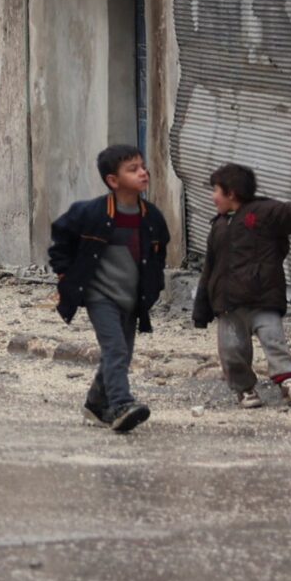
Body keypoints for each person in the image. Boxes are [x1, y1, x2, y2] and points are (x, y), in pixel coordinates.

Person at [49, 145, 171, 434]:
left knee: (121, 354)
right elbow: (61, 238)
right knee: (115, 349)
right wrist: (65, 274)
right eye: (133, 169)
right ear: (113, 180)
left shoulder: (151, 217)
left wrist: (154, 286)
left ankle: (95, 404)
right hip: (100, 296)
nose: (143, 173)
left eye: (143, 167)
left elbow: (159, 254)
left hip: (132, 298)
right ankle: (120, 404)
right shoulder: (90, 213)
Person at [195, 163, 291, 409]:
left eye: (215, 190)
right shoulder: (218, 226)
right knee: (232, 351)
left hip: (263, 298)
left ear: (231, 193)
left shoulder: (263, 212)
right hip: (229, 305)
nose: (213, 197)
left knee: (274, 341)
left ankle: (288, 381)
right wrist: (202, 309)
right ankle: (245, 390)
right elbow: (210, 268)